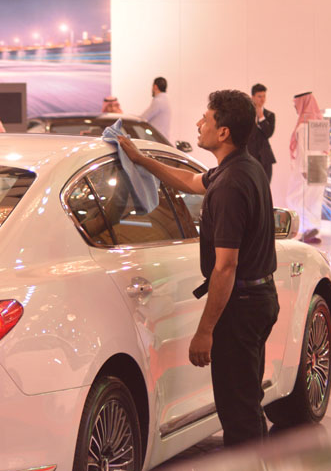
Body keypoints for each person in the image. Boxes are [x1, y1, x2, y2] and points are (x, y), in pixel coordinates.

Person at [118, 90, 279, 447]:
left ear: (223, 132)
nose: (198, 124)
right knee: (247, 402)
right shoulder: (242, 168)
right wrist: (142, 160)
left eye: (205, 119)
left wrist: (205, 331)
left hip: (241, 308)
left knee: (238, 413)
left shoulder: (230, 186)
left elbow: (225, 267)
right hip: (259, 300)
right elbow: (190, 182)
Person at [286, 91, 324, 244]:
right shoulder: (318, 123)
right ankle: (311, 228)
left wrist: (303, 169)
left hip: (306, 167)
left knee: (293, 198)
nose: (295, 107)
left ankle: (308, 228)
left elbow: (303, 150)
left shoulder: (303, 126)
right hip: (319, 164)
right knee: (313, 199)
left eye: (296, 104)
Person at [247, 84, 276, 182]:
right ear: (253, 97)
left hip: (265, 157)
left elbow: (269, 133)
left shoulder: (269, 115)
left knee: (265, 184)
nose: (262, 99)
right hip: (249, 155)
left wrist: (262, 117)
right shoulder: (246, 114)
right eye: (259, 96)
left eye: (264, 96)